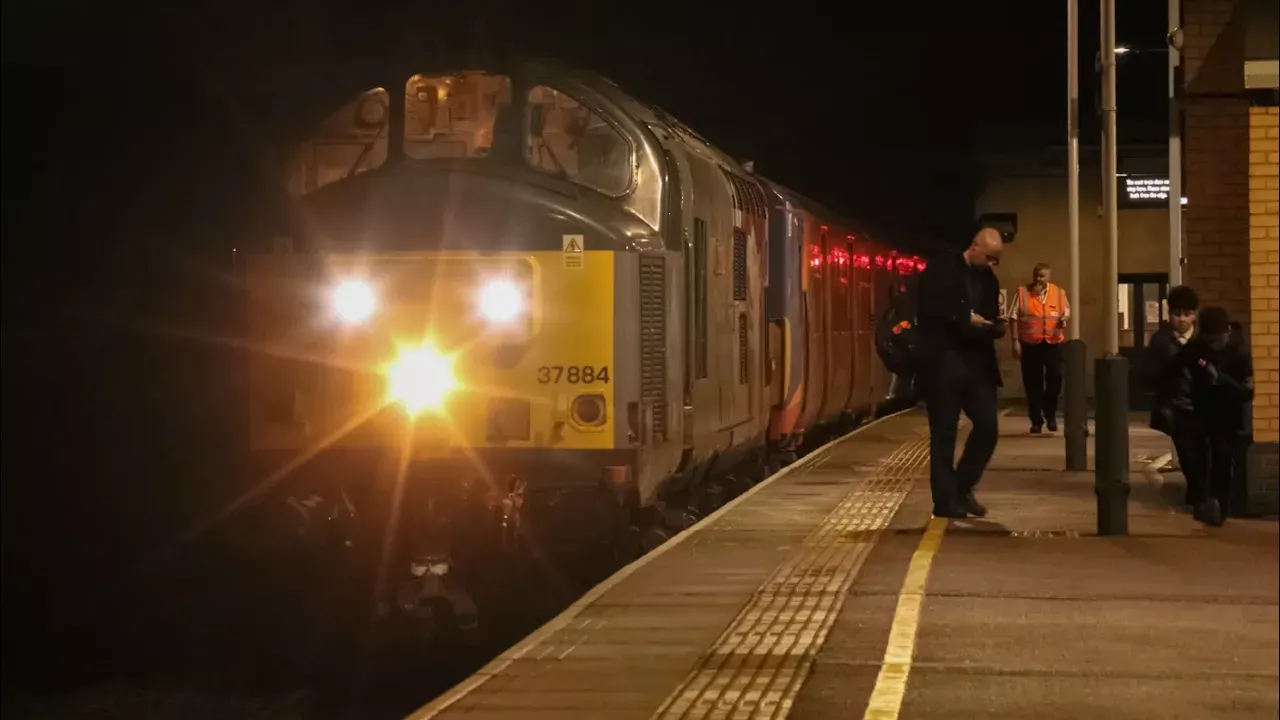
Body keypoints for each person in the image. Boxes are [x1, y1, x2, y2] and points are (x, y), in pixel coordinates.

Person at [916, 228, 1005, 519]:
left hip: (978, 363)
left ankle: (962, 487)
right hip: (945, 361)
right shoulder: (941, 269)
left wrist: (994, 326)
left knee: (988, 427)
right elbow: (929, 308)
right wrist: (965, 319)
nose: (992, 263)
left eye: (995, 259)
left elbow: (989, 313)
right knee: (944, 433)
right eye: (989, 257)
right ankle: (945, 501)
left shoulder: (989, 280)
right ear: (975, 246)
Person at [1167, 307, 1254, 526]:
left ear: (1227, 333)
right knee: (1196, 463)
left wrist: (1221, 380)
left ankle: (1219, 508)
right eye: (1210, 340)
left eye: (1218, 340)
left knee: (1223, 462)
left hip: (1227, 418)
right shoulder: (1194, 351)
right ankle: (1203, 503)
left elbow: (1247, 392)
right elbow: (1176, 380)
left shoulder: (1239, 353)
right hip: (1197, 417)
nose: (1214, 345)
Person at [1143, 285, 1199, 499]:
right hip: (1176, 407)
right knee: (1186, 452)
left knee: (1203, 451)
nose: (1182, 319)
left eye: (1187, 314)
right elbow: (1149, 375)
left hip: (1202, 407)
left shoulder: (1202, 340)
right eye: (1177, 314)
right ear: (1169, 315)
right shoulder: (1161, 341)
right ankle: (1195, 491)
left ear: (1195, 315)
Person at [1008, 263, 1071, 433]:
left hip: (1053, 343)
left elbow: (1066, 311)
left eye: (1042, 276)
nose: (1038, 279)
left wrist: (1063, 319)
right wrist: (1015, 341)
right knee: (1032, 384)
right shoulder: (1023, 293)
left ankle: (1050, 415)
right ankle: (1036, 420)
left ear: (1049, 277)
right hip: (1030, 345)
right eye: (1036, 275)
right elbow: (1013, 317)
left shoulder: (1059, 293)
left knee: (1055, 380)